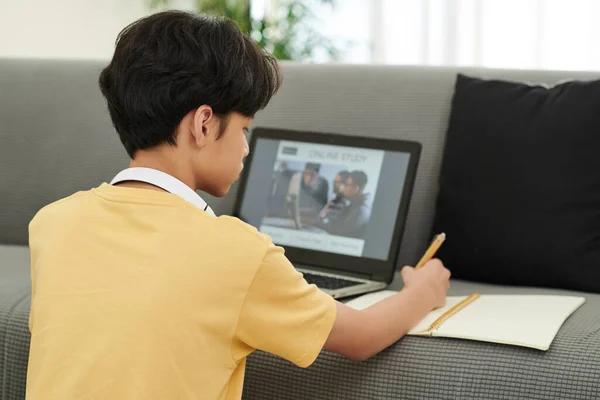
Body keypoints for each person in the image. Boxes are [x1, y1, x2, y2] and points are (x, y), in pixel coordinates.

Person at [26, 10, 451, 400]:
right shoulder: (236, 253)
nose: (246, 149)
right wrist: (423, 291)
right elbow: (361, 336)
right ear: (204, 123)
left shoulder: (52, 224)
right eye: (244, 129)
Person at [320, 170, 372, 238]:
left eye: (346, 185)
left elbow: (339, 232)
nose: (343, 188)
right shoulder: (353, 203)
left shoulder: (361, 210)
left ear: (356, 188)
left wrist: (323, 217)